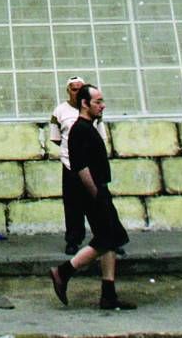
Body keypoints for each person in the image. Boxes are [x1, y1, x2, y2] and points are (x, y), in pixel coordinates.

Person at [47, 86, 135, 310]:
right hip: (93, 193)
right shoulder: (80, 129)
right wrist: (97, 194)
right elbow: (81, 167)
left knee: (111, 238)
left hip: (98, 190)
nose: (102, 105)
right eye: (97, 102)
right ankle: (63, 271)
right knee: (106, 239)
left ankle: (108, 294)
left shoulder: (88, 127)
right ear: (85, 104)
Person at [48, 75, 89, 254]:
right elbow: (56, 138)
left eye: (81, 89)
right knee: (72, 204)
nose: (77, 92)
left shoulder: (91, 108)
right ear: (68, 91)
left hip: (90, 164)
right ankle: (73, 240)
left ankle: (108, 238)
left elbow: (99, 135)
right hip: (70, 164)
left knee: (99, 202)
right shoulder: (59, 111)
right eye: (74, 89)